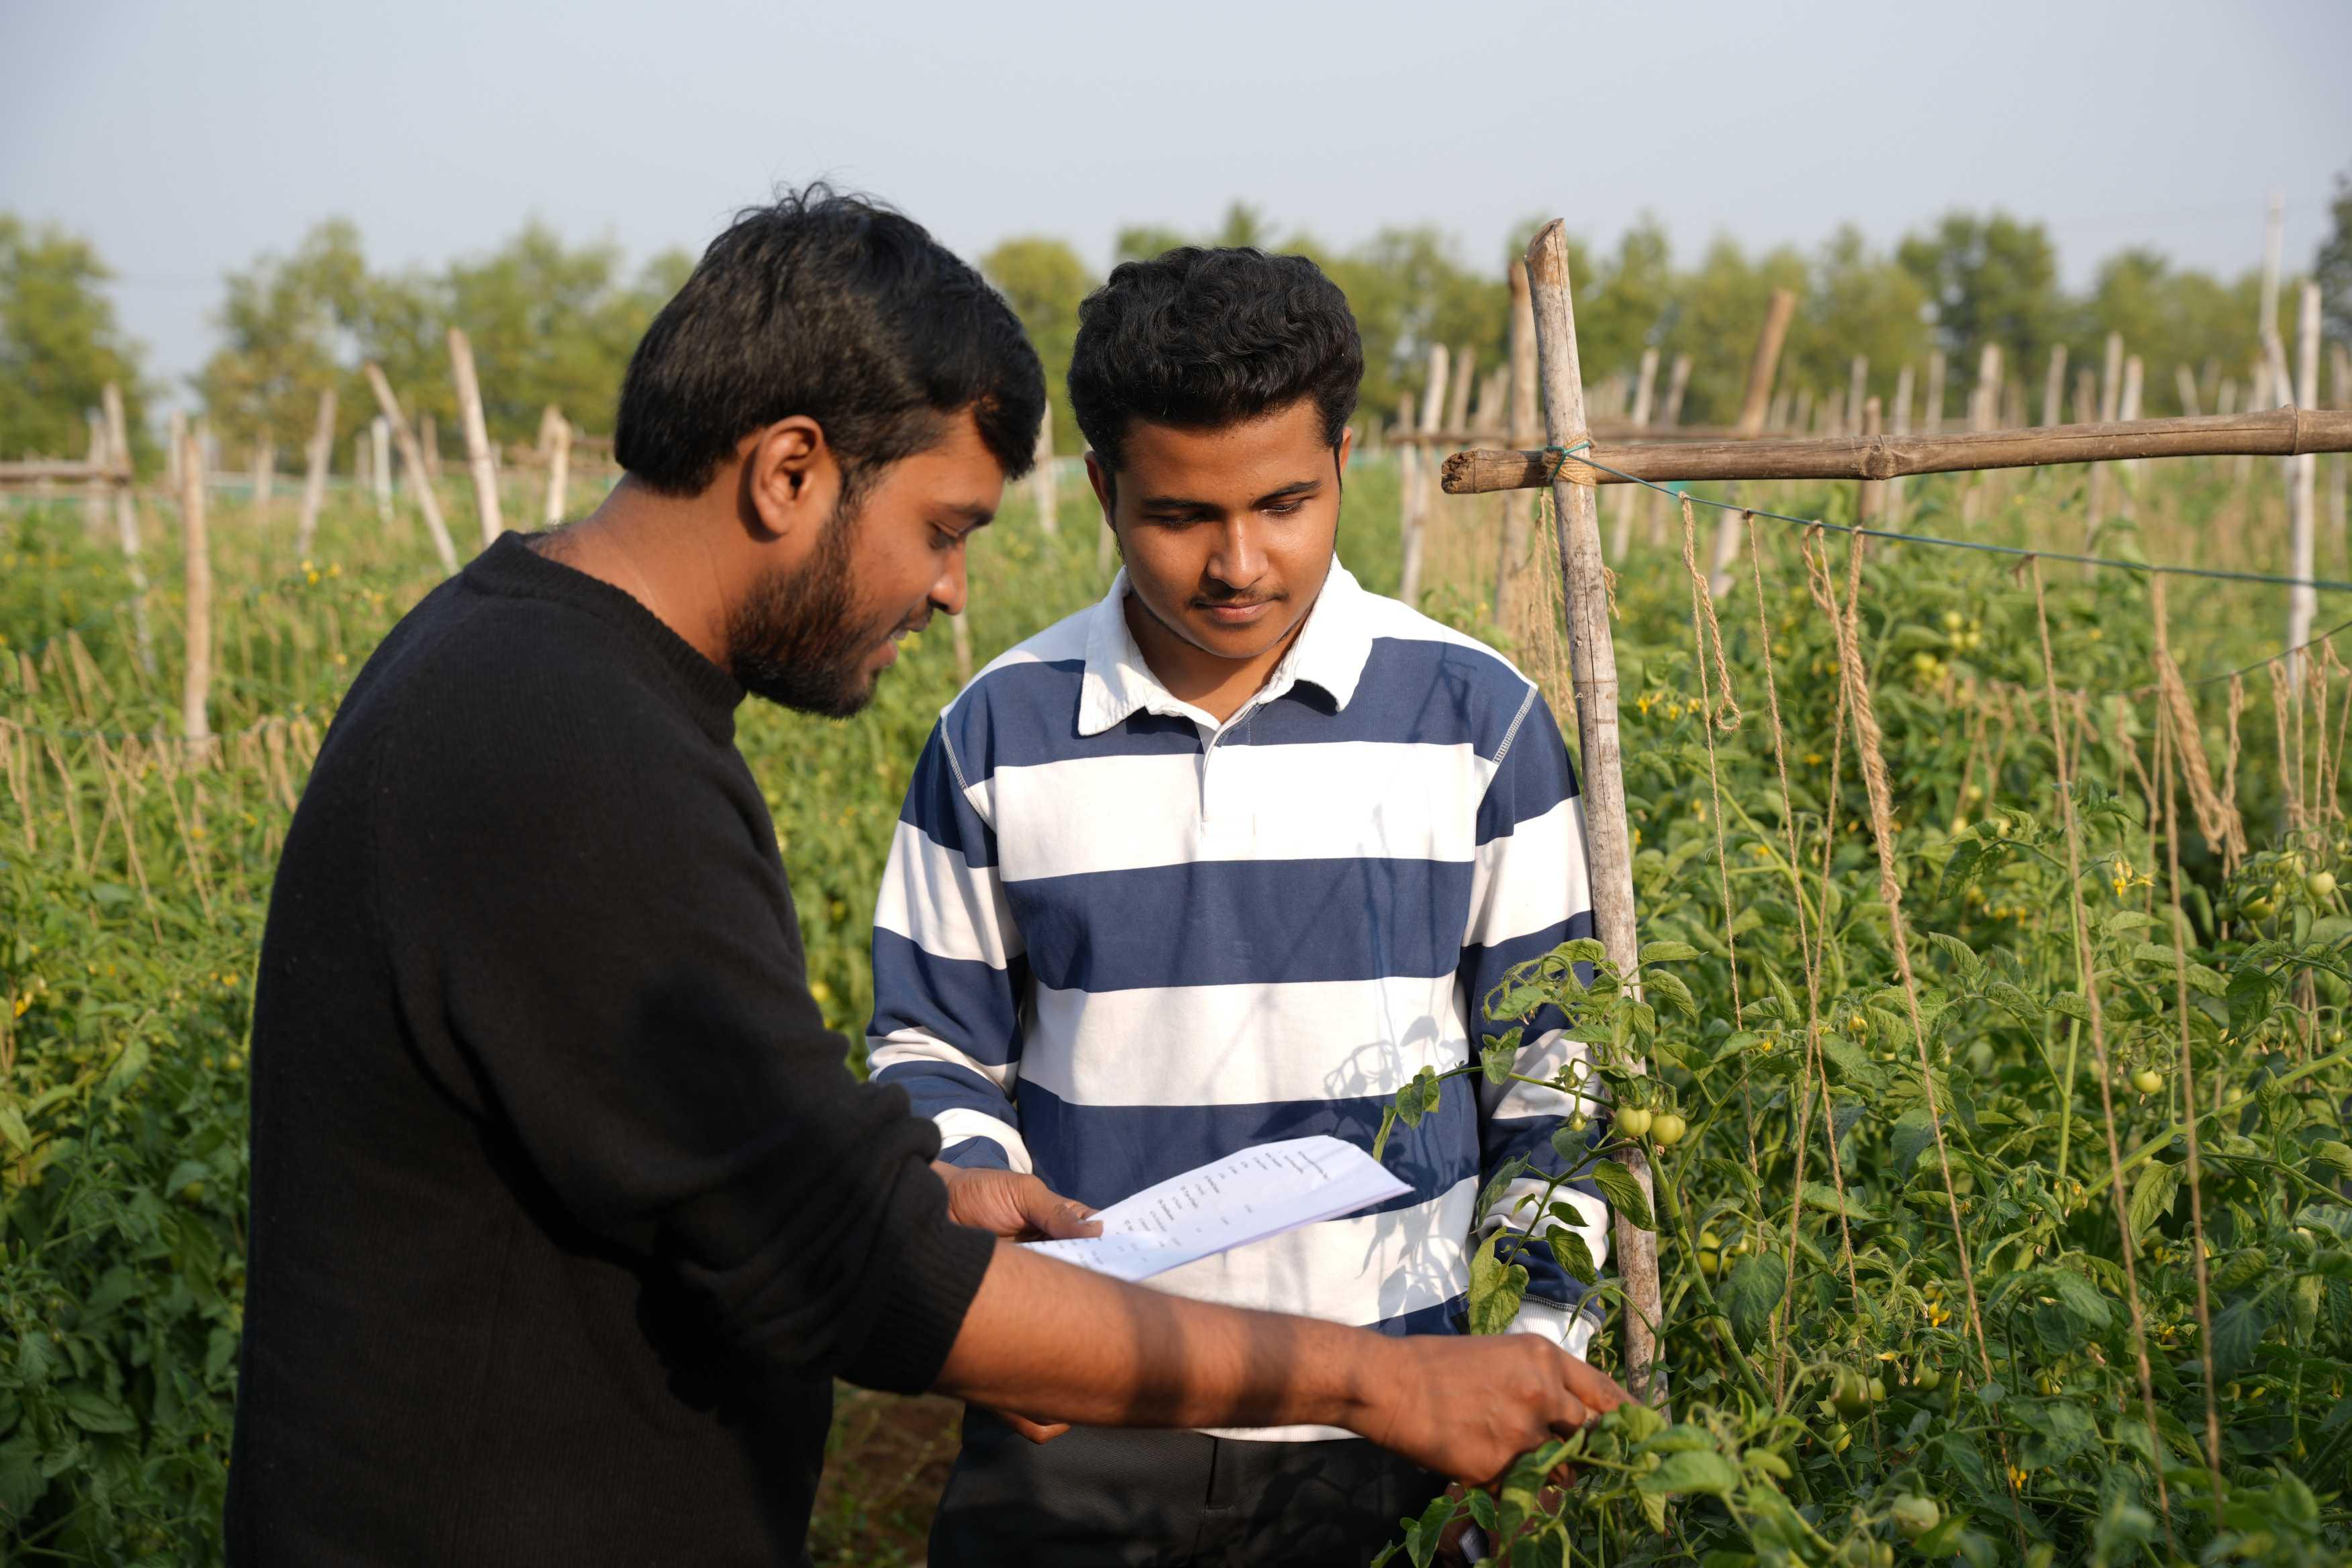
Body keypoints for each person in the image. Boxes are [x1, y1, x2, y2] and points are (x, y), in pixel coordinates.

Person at [224, 189, 1624, 1567]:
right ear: (790, 473)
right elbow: (855, 1255)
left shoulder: (544, 689)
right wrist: (1369, 1378)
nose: (953, 590)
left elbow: (746, 1172)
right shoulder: (567, 751)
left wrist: (1487, 1354)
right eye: (946, 528)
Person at [868, 244, 1612, 1567]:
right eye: (1179, 516)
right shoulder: (999, 733)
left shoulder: (1473, 723)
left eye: (1286, 501)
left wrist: (1539, 1347)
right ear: (1103, 488)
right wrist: (992, 1255)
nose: (1239, 561)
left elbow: (1557, 1072)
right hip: (1089, 1418)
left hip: (1400, 1418)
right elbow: (933, 1048)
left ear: (1346, 462)